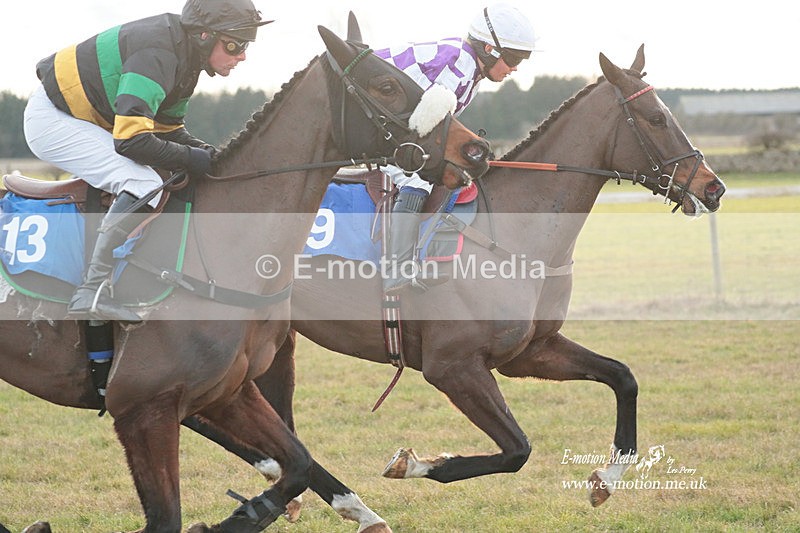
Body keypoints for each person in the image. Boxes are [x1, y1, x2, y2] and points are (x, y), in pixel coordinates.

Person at [23, 0, 271, 322]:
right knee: (142, 182)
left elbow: (168, 132)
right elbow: (132, 140)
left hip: (88, 119)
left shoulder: (185, 60)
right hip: (54, 119)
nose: (242, 55)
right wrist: (194, 158)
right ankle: (92, 289)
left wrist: (214, 156)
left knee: (165, 170)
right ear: (204, 36)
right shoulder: (159, 53)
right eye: (236, 44)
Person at [374, 3, 536, 294]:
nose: (514, 68)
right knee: (416, 179)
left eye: (521, 60)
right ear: (489, 49)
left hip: (395, 120)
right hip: (379, 123)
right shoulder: (459, 64)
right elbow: (421, 127)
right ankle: (396, 270)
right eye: (512, 59)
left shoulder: (470, 69)